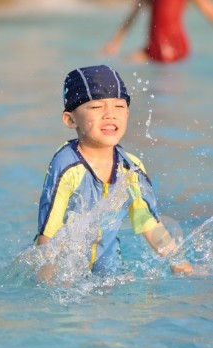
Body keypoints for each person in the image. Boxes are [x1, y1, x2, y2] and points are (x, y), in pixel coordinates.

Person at [35, 65, 193, 284]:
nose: (110, 114)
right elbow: (48, 234)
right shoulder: (66, 167)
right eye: (96, 107)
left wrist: (180, 264)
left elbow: (149, 223)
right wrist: (49, 281)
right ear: (71, 120)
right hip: (67, 273)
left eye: (119, 106)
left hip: (110, 273)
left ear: (127, 113)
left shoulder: (131, 167)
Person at [101, 0, 213, 63]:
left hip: (175, 45)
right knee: (124, 63)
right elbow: (133, 15)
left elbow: (209, 12)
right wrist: (115, 42)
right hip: (154, 46)